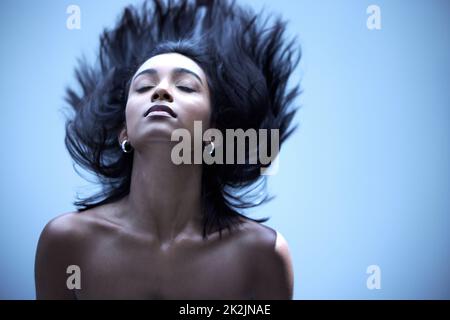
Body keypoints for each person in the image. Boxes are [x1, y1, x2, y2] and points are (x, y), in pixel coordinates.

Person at [35, 0, 301, 299]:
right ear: (125, 131)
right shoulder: (68, 243)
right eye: (144, 86)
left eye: (186, 86)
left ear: (212, 136)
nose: (160, 91)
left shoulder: (262, 254)